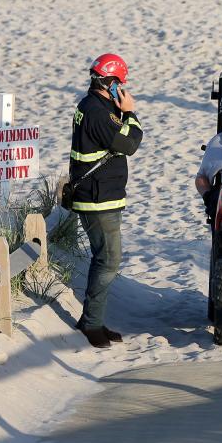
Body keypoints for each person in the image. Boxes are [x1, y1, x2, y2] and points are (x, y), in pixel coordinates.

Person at [69, 53, 144, 348]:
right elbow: (130, 143)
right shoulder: (99, 112)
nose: (122, 88)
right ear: (110, 82)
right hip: (98, 199)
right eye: (120, 83)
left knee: (105, 259)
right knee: (108, 260)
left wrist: (120, 112)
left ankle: (92, 320)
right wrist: (130, 113)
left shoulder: (94, 106)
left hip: (100, 196)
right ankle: (91, 324)